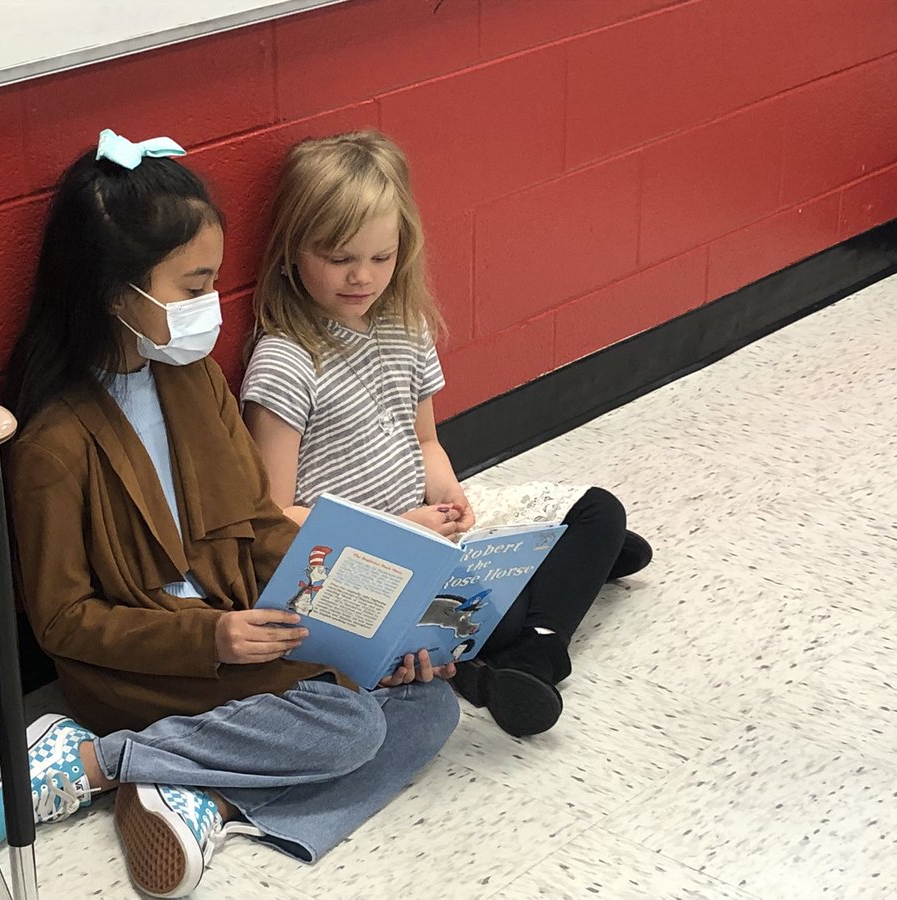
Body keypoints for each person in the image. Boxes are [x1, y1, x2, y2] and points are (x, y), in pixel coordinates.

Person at [0, 129, 459, 899]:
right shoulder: (53, 441)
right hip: (154, 662)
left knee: (428, 702)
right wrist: (214, 637)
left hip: (250, 620)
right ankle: (100, 758)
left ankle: (209, 796)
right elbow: (63, 621)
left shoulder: (188, 379)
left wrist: (365, 618)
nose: (210, 308)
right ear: (115, 293)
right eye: (192, 288)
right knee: (353, 726)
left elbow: (259, 525)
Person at [240, 130, 653, 740]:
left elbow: (426, 442)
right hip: (361, 560)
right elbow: (274, 514)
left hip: (430, 532)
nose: (362, 277)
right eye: (338, 258)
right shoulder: (284, 361)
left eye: (381, 258)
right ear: (290, 252)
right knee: (502, 618)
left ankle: (548, 594)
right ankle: (537, 649)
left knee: (598, 510)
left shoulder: (404, 328)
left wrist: (453, 503)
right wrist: (404, 529)